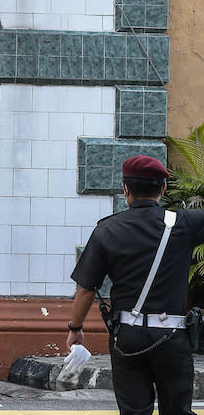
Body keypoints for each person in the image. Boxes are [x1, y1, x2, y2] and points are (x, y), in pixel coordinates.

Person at [67, 155, 204, 415]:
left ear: (125, 189)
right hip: (172, 337)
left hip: (127, 337)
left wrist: (75, 328)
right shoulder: (185, 223)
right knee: (177, 411)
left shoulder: (106, 230)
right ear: (163, 189)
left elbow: (85, 288)